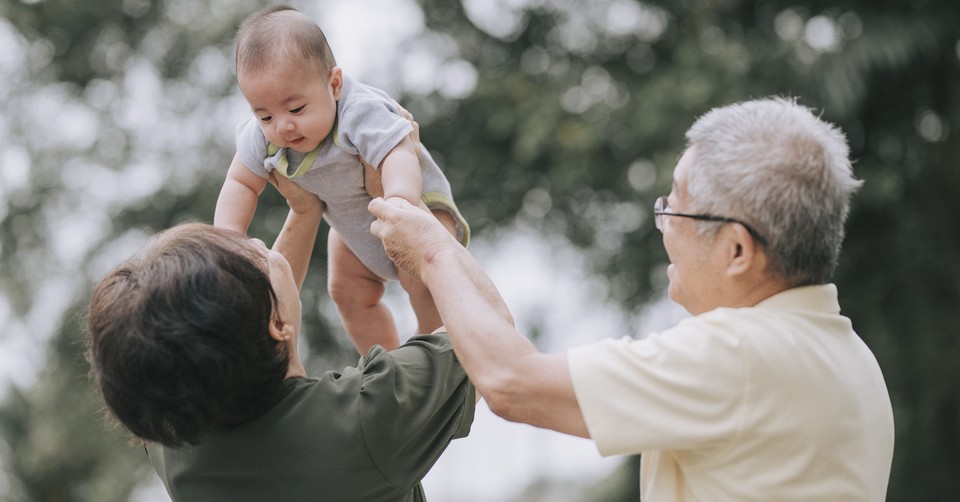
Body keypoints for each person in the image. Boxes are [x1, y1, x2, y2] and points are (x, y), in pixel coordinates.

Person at [369, 97, 895, 501]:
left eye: (675, 209)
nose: (663, 226)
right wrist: (440, 243)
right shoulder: (850, 358)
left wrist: (432, 255)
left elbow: (513, 383)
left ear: (737, 248)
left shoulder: (739, 356)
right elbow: (509, 361)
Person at [86, 174, 476, 501]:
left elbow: (256, 317)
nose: (260, 245)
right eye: (252, 253)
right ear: (276, 323)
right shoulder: (367, 416)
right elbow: (482, 333)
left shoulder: (176, 441)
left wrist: (306, 210)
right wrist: (422, 236)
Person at [213, 5, 470, 355]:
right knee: (347, 293)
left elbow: (399, 151)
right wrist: (228, 239)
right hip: (350, 225)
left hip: (415, 207)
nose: (283, 126)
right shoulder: (262, 136)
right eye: (265, 115)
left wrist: (399, 201)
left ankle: (432, 348)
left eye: (296, 109)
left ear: (334, 84)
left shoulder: (358, 111)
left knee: (424, 282)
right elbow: (241, 183)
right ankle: (389, 362)